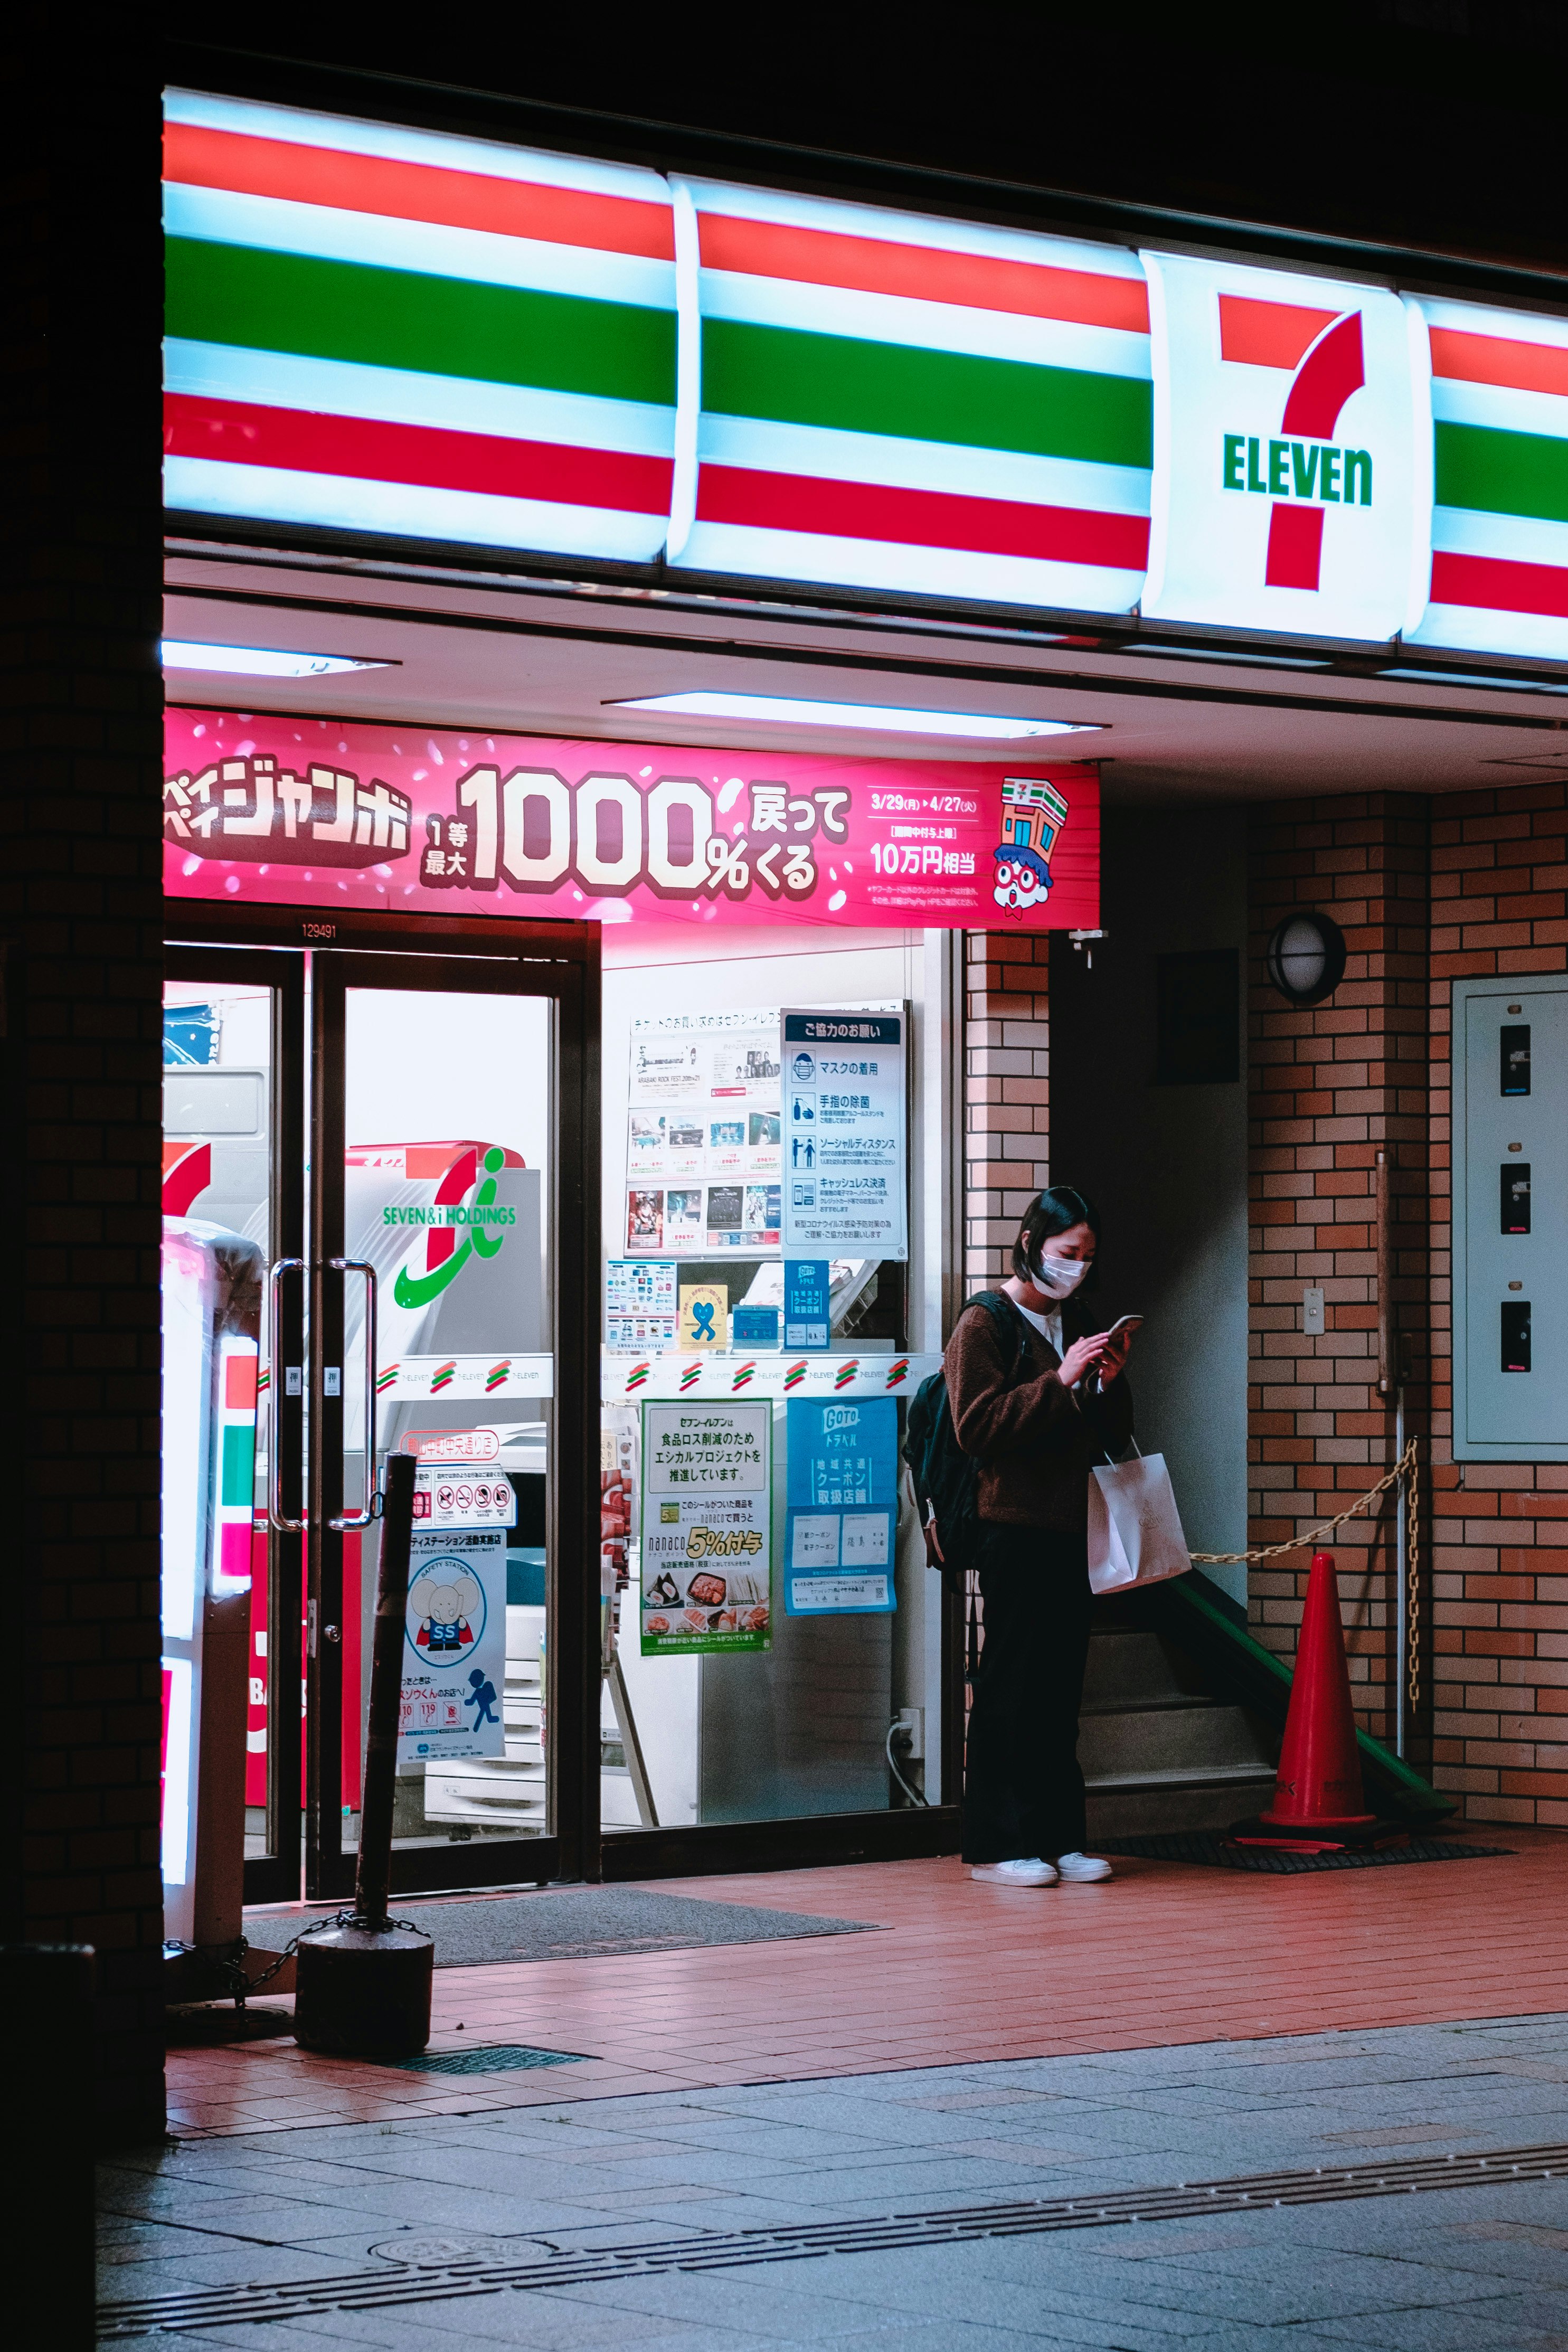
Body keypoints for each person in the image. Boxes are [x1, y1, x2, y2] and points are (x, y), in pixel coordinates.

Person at [944, 1184, 1134, 1887]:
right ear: (1029, 1244)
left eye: (1086, 1257)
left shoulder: (1077, 1318)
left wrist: (1109, 1381)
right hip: (1012, 1525)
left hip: (1071, 1523)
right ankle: (997, 1845)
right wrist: (1060, 1379)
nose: (1075, 1269)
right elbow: (976, 1428)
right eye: (1064, 1253)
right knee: (1011, 1684)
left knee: (1059, 1687)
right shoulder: (984, 1322)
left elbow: (1110, 1435)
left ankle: (1059, 1838)